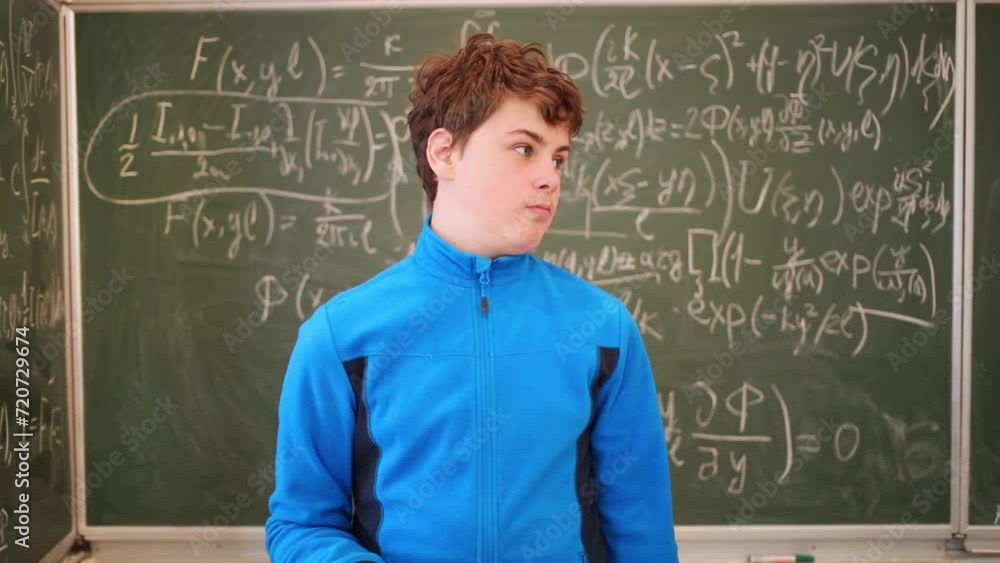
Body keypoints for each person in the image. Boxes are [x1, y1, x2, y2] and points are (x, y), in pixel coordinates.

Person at [265, 32, 678, 563]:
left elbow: (641, 528)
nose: (550, 178)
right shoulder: (341, 336)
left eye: (558, 158)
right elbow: (301, 526)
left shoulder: (603, 328)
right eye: (525, 149)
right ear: (445, 153)